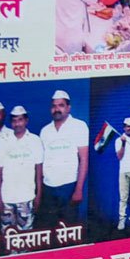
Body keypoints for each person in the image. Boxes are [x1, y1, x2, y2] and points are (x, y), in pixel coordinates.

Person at [38, 89, 89, 230]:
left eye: (61, 105)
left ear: (68, 108)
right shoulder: (45, 131)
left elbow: (84, 159)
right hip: (48, 187)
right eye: (54, 106)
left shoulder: (79, 126)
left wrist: (79, 189)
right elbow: (42, 162)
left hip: (68, 187)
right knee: (49, 229)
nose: (57, 109)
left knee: (69, 229)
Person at [0, 105, 43, 232]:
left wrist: (38, 195)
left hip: (26, 197)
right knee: (7, 233)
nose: (17, 124)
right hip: (7, 198)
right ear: (11, 123)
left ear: (26, 121)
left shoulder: (35, 140)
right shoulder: (4, 141)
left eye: (20, 120)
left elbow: (39, 170)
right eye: (14, 121)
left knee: (26, 234)